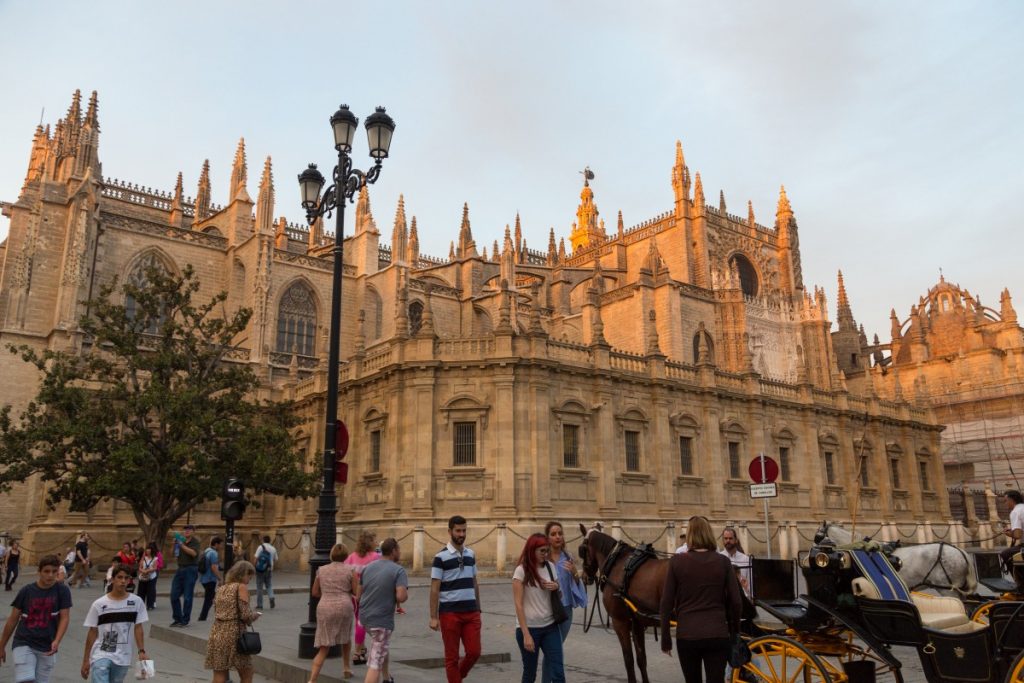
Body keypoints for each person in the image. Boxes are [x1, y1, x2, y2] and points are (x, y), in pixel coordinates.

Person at [660, 516, 742, 683]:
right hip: (717, 633)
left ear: (689, 535)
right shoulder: (723, 562)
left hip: (687, 635)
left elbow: (666, 603)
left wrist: (665, 637)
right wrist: (735, 632)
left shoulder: (676, 562)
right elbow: (736, 602)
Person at [0, 554, 72, 683]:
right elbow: (13, 619)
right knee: (26, 680)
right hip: (24, 642)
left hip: (48, 646)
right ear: (39, 572)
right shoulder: (26, 591)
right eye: (46, 571)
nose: (50, 575)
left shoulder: (62, 591)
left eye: (54, 571)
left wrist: (57, 640)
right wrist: (1, 646)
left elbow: (64, 618)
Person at [429, 515, 482, 683]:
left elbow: (474, 582)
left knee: (474, 652)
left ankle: (457, 677)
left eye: (464, 530)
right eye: (458, 531)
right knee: (451, 658)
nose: (461, 534)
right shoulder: (440, 557)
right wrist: (433, 617)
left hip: (471, 612)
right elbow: (434, 588)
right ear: (450, 531)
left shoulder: (471, 554)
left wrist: (478, 608)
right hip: (449, 613)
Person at [81, 563, 150, 683]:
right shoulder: (99, 604)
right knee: (100, 673)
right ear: (112, 579)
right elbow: (92, 632)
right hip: (102, 652)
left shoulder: (136, 602)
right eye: (119, 577)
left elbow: (138, 627)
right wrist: (86, 660)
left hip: (123, 655)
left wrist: (142, 651)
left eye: (126, 578)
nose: (123, 581)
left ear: (130, 580)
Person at [513, 533, 566, 683]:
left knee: (558, 672)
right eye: (542, 551)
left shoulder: (550, 566)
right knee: (530, 673)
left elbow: (559, 596)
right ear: (532, 550)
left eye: (547, 550)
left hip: (550, 627)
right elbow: (518, 604)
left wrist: (556, 587)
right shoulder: (521, 571)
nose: (546, 554)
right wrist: (526, 634)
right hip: (530, 629)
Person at [359, 538, 408, 683]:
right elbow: (401, 596)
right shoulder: (398, 570)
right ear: (393, 551)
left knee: (380, 646)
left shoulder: (368, 567)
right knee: (375, 663)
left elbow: (358, 593)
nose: (399, 552)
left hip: (365, 617)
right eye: (398, 549)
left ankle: (387, 678)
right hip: (381, 620)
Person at [309, 543, 360, 682]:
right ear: (345, 556)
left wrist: (327, 595)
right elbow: (356, 592)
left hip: (325, 606)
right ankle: (346, 668)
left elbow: (314, 592)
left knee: (324, 647)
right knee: (346, 638)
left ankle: (312, 679)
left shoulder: (321, 570)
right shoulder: (351, 570)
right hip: (345, 606)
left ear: (331, 555)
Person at [204, 560, 260, 683]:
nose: (249, 579)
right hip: (233, 634)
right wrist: (254, 616)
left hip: (217, 632)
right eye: (249, 576)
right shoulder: (241, 587)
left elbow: (217, 610)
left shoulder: (221, 588)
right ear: (243, 574)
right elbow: (245, 615)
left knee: (219, 674)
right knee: (247, 672)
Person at [544, 522, 586, 655]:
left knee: (557, 647)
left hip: (566, 610)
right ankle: (554, 675)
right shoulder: (543, 558)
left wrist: (574, 572)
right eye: (553, 534)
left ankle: (552, 675)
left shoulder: (568, 557)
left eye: (560, 533)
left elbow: (576, 583)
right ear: (548, 538)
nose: (557, 537)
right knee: (553, 649)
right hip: (548, 608)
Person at [344, 530, 379, 666]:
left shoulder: (352, 557)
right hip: (368, 594)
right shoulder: (375, 557)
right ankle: (357, 653)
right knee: (361, 622)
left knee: (358, 620)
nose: (376, 543)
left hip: (353, 595)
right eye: (374, 540)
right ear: (370, 542)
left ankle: (362, 648)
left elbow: (346, 572)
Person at [169, 524, 201, 627]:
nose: (187, 531)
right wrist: (174, 544)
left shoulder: (195, 542)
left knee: (187, 597)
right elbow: (172, 554)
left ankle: (185, 619)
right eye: (185, 530)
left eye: (189, 529)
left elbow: (193, 553)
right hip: (180, 569)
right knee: (174, 595)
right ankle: (177, 618)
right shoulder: (180, 540)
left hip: (190, 569)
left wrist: (181, 545)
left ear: (193, 531)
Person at [198, 536, 224, 622]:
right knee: (209, 598)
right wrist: (220, 578)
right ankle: (202, 617)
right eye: (221, 544)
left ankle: (206, 616)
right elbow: (213, 567)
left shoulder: (207, 551)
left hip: (204, 578)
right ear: (216, 544)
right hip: (210, 579)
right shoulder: (213, 553)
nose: (222, 546)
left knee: (211, 597)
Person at [720, 527, 751, 598]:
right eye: (726, 538)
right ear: (723, 540)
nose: (728, 541)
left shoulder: (745, 559)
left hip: (742, 597)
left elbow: (750, 581)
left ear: (736, 540)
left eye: (730, 538)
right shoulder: (719, 558)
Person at [1001, 490, 1024, 581]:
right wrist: (1013, 530)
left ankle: (1020, 583)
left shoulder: (1015, 512)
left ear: (1011, 500)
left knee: (1005, 553)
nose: (1005, 504)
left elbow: (1017, 535)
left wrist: (1009, 533)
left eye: (1005, 501)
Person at [253, 535, 279, 610]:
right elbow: (276, 559)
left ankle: (260, 605)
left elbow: (256, 558)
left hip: (260, 570)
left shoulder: (260, 547)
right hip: (269, 569)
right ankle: (271, 597)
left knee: (259, 587)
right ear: (270, 541)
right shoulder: (273, 548)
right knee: (269, 585)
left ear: (263, 540)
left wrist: (254, 568)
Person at [136, 544, 160, 612]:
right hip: (143, 577)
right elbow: (140, 567)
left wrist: (148, 571)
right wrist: (143, 571)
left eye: (149, 549)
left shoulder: (155, 558)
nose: (147, 551)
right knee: (141, 592)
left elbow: (155, 568)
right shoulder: (143, 558)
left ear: (151, 551)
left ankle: (150, 605)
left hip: (151, 577)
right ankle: (141, 605)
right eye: (146, 549)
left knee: (150, 591)